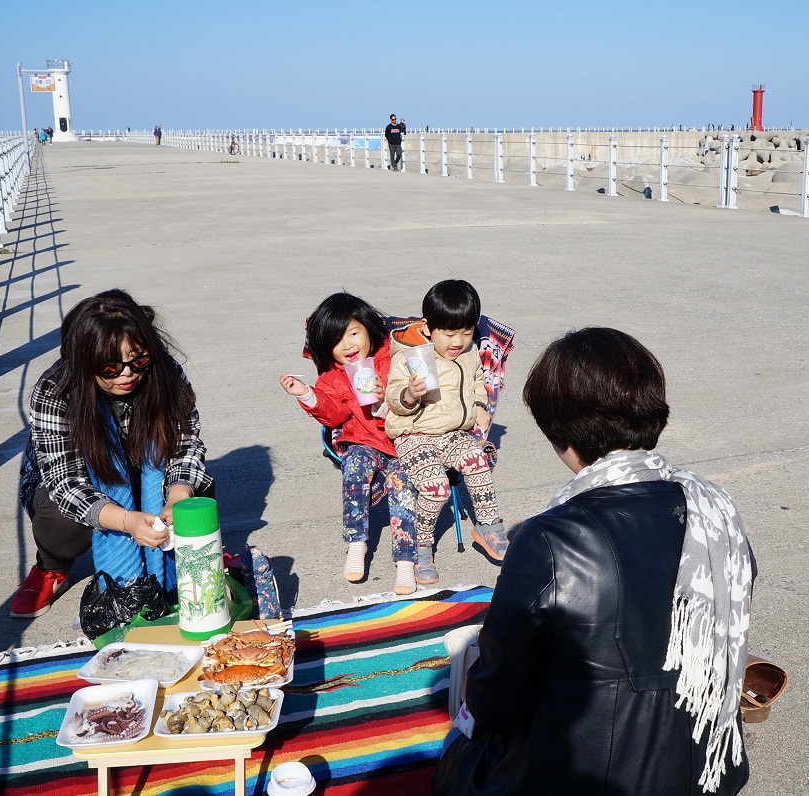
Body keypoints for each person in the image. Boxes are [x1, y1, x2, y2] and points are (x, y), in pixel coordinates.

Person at [432, 327, 755, 796]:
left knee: (456, 756)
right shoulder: (715, 511)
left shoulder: (550, 539)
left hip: (586, 778)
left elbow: (498, 701)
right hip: (708, 770)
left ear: (557, 429)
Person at [10, 289, 214, 618]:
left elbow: (185, 443)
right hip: (76, 479)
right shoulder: (55, 389)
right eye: (109, 367)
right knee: (58, 516)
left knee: (196, 492)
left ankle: (189, 560)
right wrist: (127, 520)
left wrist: (178, 495)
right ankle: (52, 566)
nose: (127, 374)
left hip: (146, 471)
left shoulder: (165, 372)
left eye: (139, 360)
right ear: (83, 362)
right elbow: (65, 484)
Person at [279, 293, 418, 595]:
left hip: (403, 440)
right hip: (363, 440)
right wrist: (306, 393)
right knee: (354, 465)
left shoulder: (393, 358)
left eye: (354, 333)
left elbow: (418, 395)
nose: (348, 345)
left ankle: (405, 562)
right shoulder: (332, 377)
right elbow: (334, 414)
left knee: (402, 482)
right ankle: (356, 544)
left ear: (369, 328)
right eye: (336, 340)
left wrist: (388, 397)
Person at [385, 280, 507, 583]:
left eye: (466, 332)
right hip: (415, 435)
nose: (458, 341)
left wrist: (480, 405)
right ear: (428, 328)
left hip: (454, 433)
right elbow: (393, 399)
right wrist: (410, 395)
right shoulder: (410, 357)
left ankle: (488, 527)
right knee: (436, 486)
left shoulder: (470, 352)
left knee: (478, 461)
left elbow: (479, 379)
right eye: (449, 333)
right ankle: (421, 545)